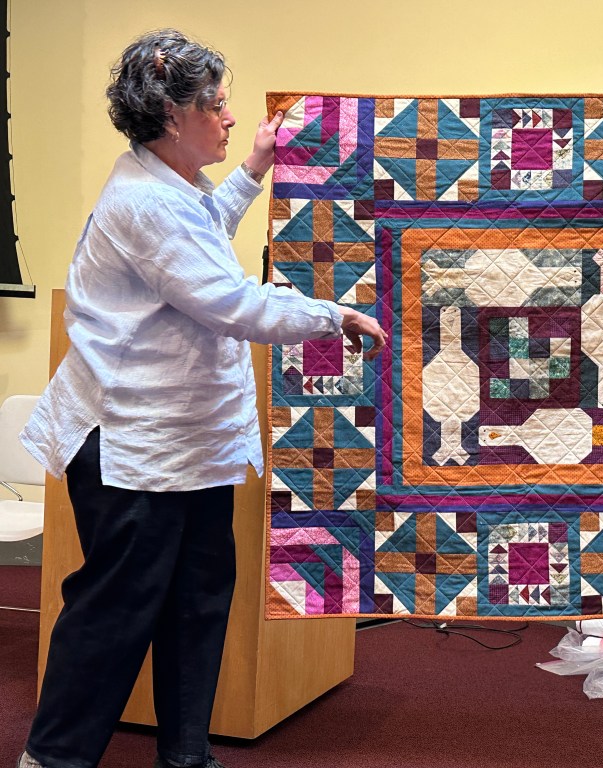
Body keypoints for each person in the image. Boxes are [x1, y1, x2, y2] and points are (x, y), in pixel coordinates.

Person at [16, 30, 386, 768]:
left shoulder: (167, 189)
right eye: (215, 105)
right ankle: (52, 761)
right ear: (170, 117)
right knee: (115, 615)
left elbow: (203, 233)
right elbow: (230, 303)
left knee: (197, 604)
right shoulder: (144, 202)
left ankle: (186, 758)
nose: (228, 116)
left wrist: (252, 169)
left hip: (186, 444)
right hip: (133, 449)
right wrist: (332, 316)